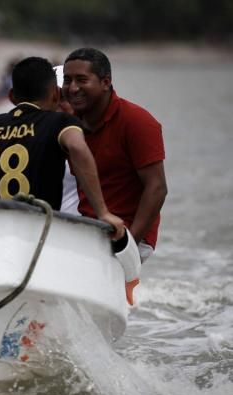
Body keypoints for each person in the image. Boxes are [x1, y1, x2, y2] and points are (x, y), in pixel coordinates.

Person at [0, 57, 125, 239]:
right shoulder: (60, 122)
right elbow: (76, 147)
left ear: (11, 97)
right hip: (40, 234)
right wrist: (103, 212)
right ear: (56, 94)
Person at [63, 48, 167, 261]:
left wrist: (128, 245)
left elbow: (157, 188)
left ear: (106, 82)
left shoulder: (137, 121)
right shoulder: (69, 124)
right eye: (67, 80)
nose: (72, 88)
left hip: (130, 233)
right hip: (87, 227)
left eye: (82, 80)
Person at [53, 65, 80, 216]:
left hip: (78, 225)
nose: (55, 104)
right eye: (51, 98)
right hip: (39, 224)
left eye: (63, 98)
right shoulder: (29, 137)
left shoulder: (93, 141)